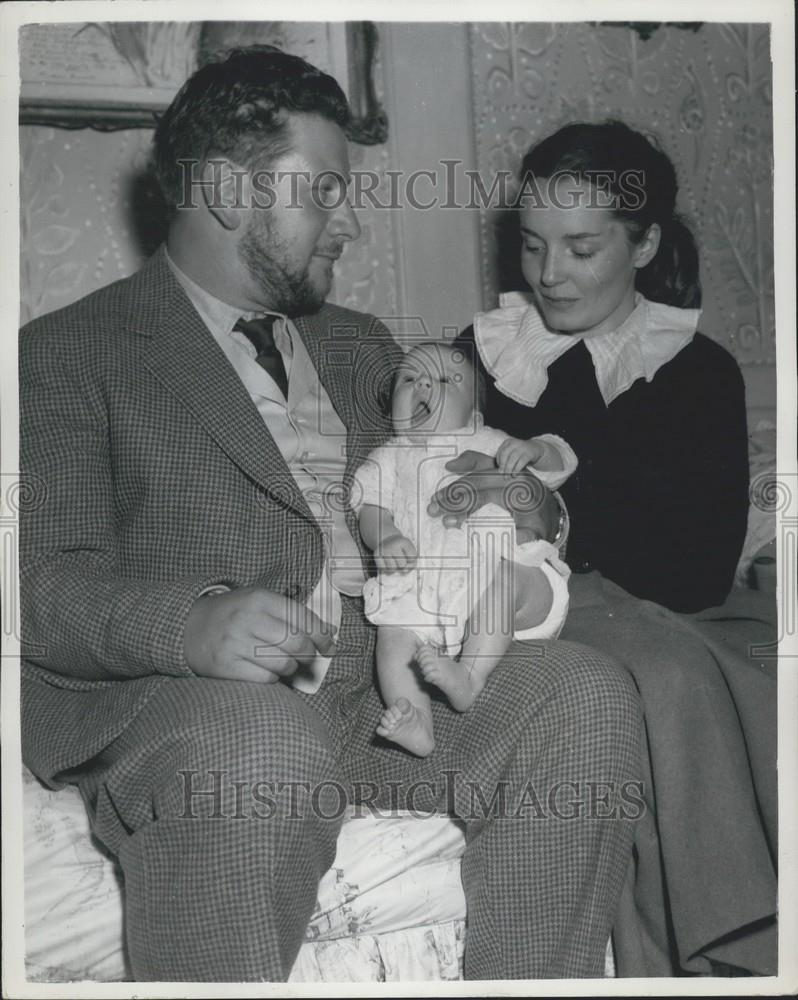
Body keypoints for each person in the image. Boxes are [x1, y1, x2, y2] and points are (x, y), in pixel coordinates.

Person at [19, 48, 643, 981]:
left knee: (583, 693)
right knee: (256, 744)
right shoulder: (64, 355)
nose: (350, 221)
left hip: (385, 693)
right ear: (229, 192)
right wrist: (187, 623)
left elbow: (464, 482)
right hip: (202, 706)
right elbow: (37, 580)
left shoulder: (360, 345)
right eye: (324, 193)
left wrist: (518, 504)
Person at [459, 120, 749, 613]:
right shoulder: (482, 351)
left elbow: (702, 576)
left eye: (582, 250)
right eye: (533, 246)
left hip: (648, 626)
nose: (548, 275)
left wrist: (558, 523)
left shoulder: (702, 376)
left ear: (645, 245)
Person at [354, 341, 573, 756]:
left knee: (509, 578)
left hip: (506, 581)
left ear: (473, 414)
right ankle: (415, 718)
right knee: (394, 636)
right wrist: (384, 537)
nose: (422, 383)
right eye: (408, 378)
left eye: (443, 379)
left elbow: (560, 462)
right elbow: (371, 507)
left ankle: (469, 678)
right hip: (423, 587)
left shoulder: (485, 440)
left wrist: (533, 450)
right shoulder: (387, 458)